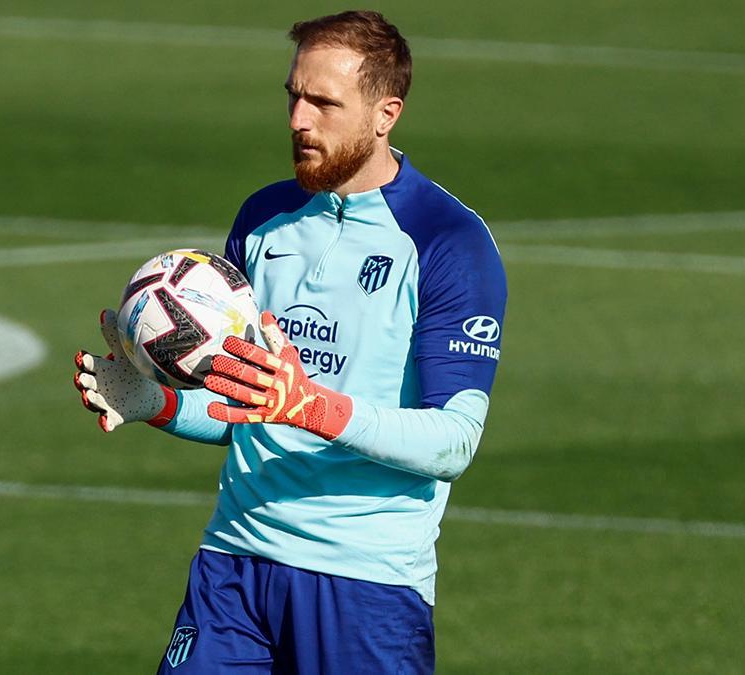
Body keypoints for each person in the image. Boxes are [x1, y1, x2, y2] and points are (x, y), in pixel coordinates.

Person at [74, 10, 506, 674]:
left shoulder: (447, 242)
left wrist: (311, 408)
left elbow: (454, 441)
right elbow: (245, 408)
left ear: (386, 113)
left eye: (324, 103)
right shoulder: (264, 218)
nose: (299, 119)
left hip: (366, 585)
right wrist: (154, 402)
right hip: (234, 566)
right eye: (293, 96)